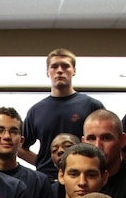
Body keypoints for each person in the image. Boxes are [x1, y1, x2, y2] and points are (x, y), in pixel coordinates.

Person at [21, 48, 104, 181]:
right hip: (48, 180)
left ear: (74, 71)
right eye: (54, 66)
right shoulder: (36, 111)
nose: (59, 70)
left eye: (65, 66)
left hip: (83, 177)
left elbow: (105, 141)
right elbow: (20, 148)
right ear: (48, 72)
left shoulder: (91, 105)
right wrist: (41, 162)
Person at [0, 107, 57, 198]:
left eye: (13, 131)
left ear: (21, 141)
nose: (7, 136)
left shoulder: (39, 181)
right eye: (0, 130)